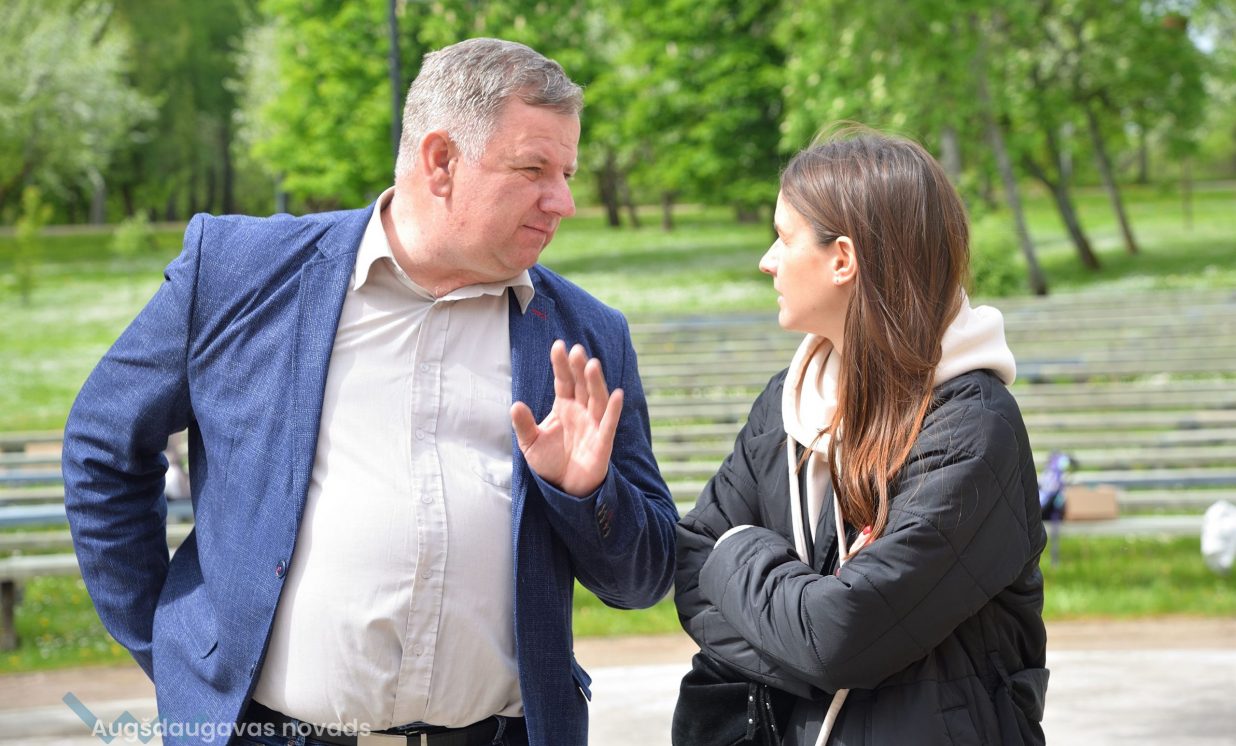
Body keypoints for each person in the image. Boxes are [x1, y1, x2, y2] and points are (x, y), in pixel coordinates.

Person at [62, 38, 678, 746]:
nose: (563, 201)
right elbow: (102, 447)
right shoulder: (237, 272)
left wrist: (586, 493)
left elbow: (645, 578)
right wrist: (180, 652)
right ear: (440, 161)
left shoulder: (586, 335)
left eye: (566, 174)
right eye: (533, 169)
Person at [673, 130, 1049, 745]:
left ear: (843, 259)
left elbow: (841, 635)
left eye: (784, 237)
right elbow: (692, 568)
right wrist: (809, 644)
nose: (767, 260)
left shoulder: (972, 428)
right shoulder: (786, 403)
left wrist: (737, 549)